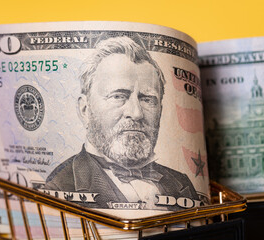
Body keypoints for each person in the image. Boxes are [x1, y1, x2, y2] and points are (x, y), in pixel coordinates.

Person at [45, 36, 199, 210]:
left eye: (147, 99)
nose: (136, 113)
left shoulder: (181, 182)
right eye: (118, 96)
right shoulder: (58, 186)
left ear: (160, 110)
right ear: (85, 109)